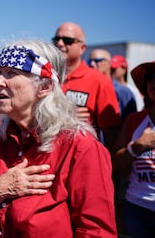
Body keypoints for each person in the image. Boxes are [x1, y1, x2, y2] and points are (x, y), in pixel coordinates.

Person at [0, 40, 117, 237]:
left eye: (11, 73)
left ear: (44, 87)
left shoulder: (80, 146)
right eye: (0, 72)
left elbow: (96, 232)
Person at [52, 22, 121, 153]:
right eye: (56, 39)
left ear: (82, 48)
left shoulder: (99, 81)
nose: (60, 43)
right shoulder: (44, 77)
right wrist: (64, 116)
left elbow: (111, 133)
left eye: (67, 40)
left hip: (81, 158)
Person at [113, 60, 155, 238]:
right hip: (137, 209)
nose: (154, 82)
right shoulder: (134, 120)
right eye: (151, 78)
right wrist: (138, 146)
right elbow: (114, 162)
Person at [89, 49, 137, 121]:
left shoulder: (123, 91)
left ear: (109, 63)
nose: (92, 64)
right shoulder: (88, 88)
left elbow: (132, 122)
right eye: (90, 61)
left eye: (97, 60)